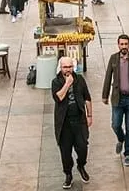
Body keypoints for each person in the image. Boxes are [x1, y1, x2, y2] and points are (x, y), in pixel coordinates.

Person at [101, 34, 129, 167]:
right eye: (122, 44)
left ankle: (128, 154)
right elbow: (108, 76)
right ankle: (121, 138)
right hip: (117, 98)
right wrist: (104, 95)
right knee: (115, 124)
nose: (124, 46)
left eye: (126, 44)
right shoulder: (113, 59)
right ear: (118, 45)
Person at [52, 56, 93, 189]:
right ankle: (68, 174)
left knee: (82, 147)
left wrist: (89, 115)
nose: (68, 69)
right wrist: (67, 84)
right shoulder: (56, 82)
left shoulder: (80, 79)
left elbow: (87, 97)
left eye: (70, 67)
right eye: (65, 67)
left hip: (79, 120)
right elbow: (58, 97)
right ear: (61, 68)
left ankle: (81, 165)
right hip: (64, 123)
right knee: (65, 151)